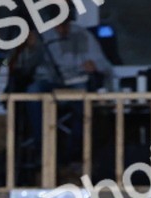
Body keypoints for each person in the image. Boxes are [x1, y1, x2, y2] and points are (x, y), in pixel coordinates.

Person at [24, 12, 114, 180]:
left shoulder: (83, 35)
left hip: (76, 83)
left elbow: (105, 66)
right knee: (33, 91)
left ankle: (75, 154)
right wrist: (32, 49)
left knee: (84, 100)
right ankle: (42, 149)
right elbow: (26, 68)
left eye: (64, 23)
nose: (61, 29)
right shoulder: (42, 36)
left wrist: (94, 66)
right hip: (48, 83)